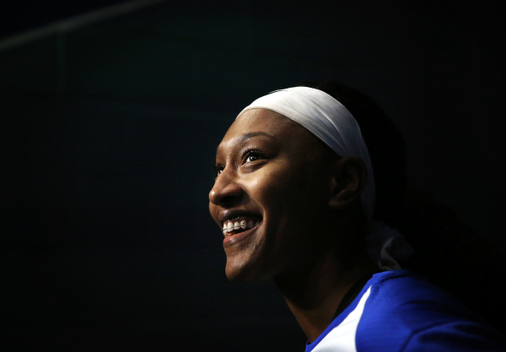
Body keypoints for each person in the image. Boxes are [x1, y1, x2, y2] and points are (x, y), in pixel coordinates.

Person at [208, 83, 506, 351]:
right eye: (220, 169)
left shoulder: (410, 335)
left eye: (252, 156)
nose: (217, 191)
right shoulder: (354, 332)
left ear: (343, 182)